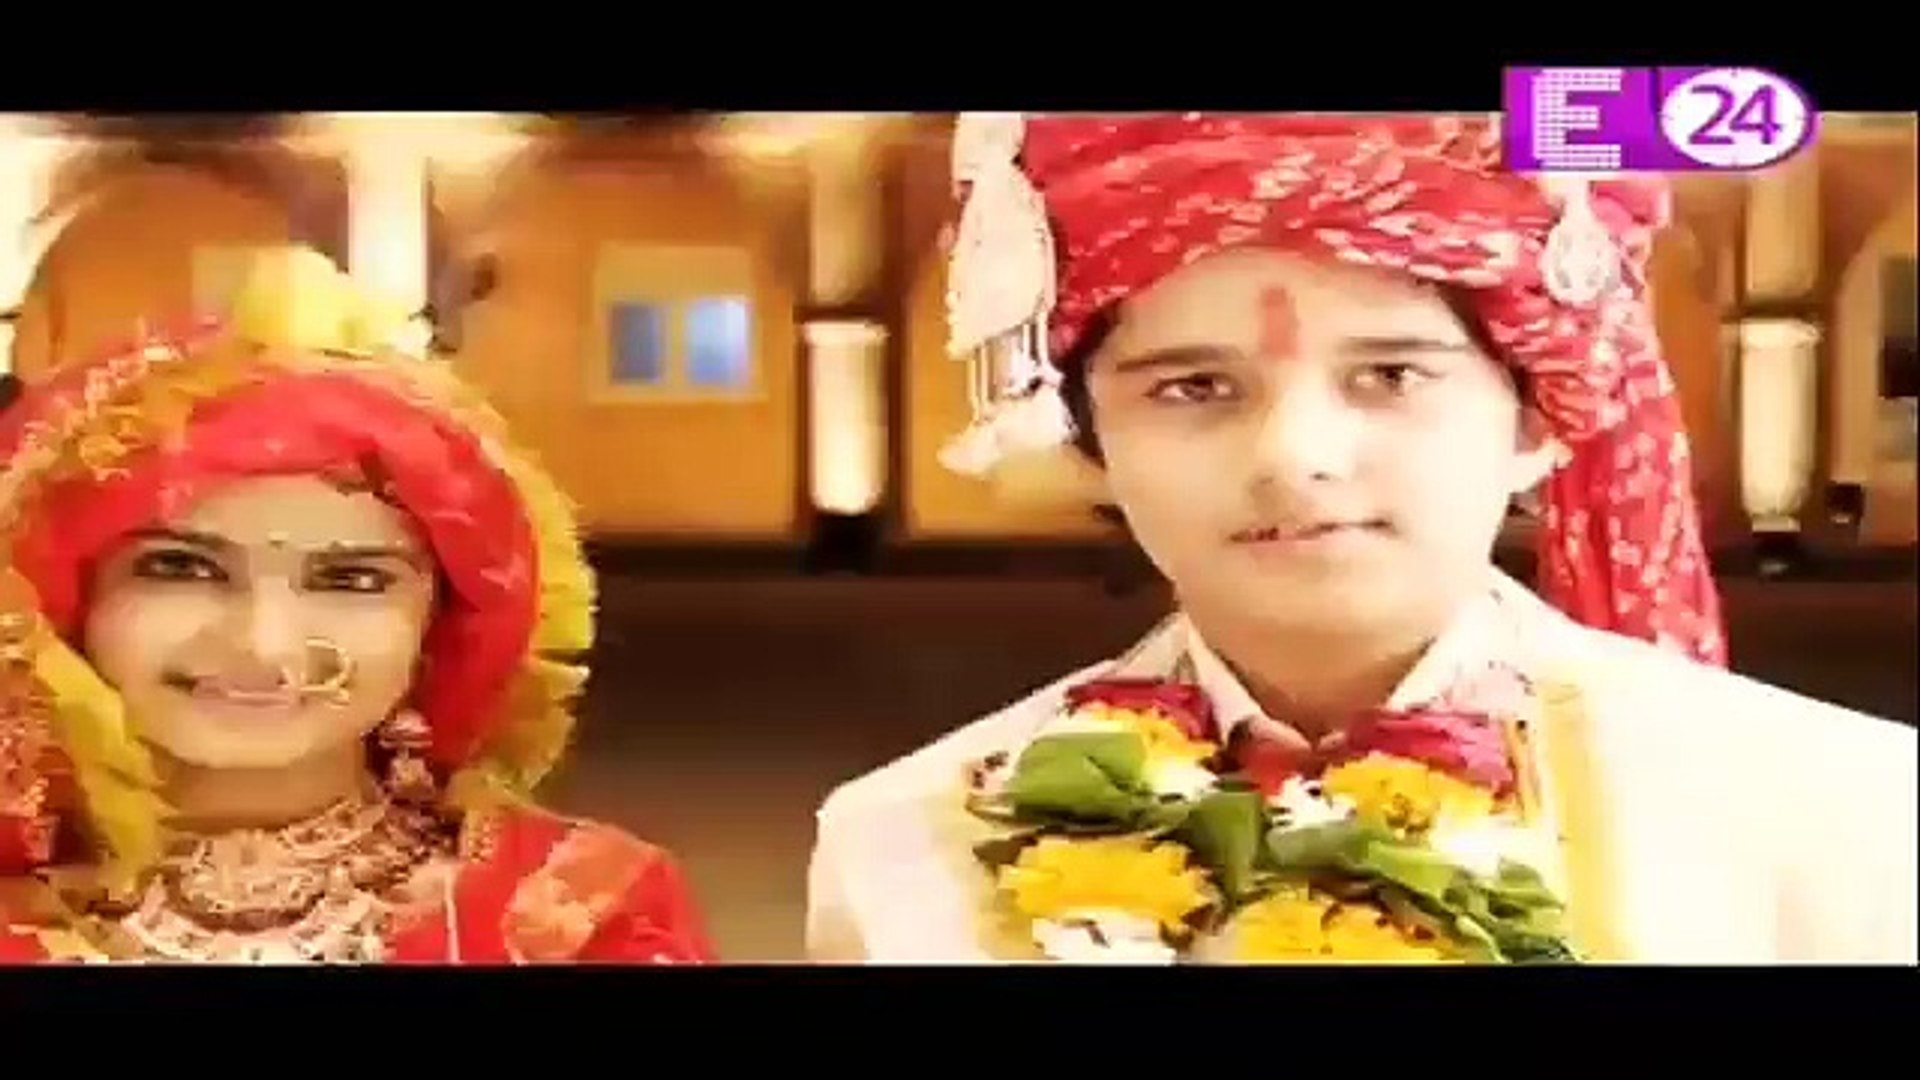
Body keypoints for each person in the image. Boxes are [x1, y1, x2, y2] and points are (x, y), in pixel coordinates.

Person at [806, 113, 1917, 964]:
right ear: (1092, 442)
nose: (1296, 455)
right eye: (1194, 387)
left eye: (1391, 374)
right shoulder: (906, 843)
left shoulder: (1836, 812)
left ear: (1538, 419)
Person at [0, 246, 716, 964]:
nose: (265, 646)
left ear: (441, 625)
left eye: (352, 581)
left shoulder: (581, 913)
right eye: (181, 568)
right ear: (64, 602)